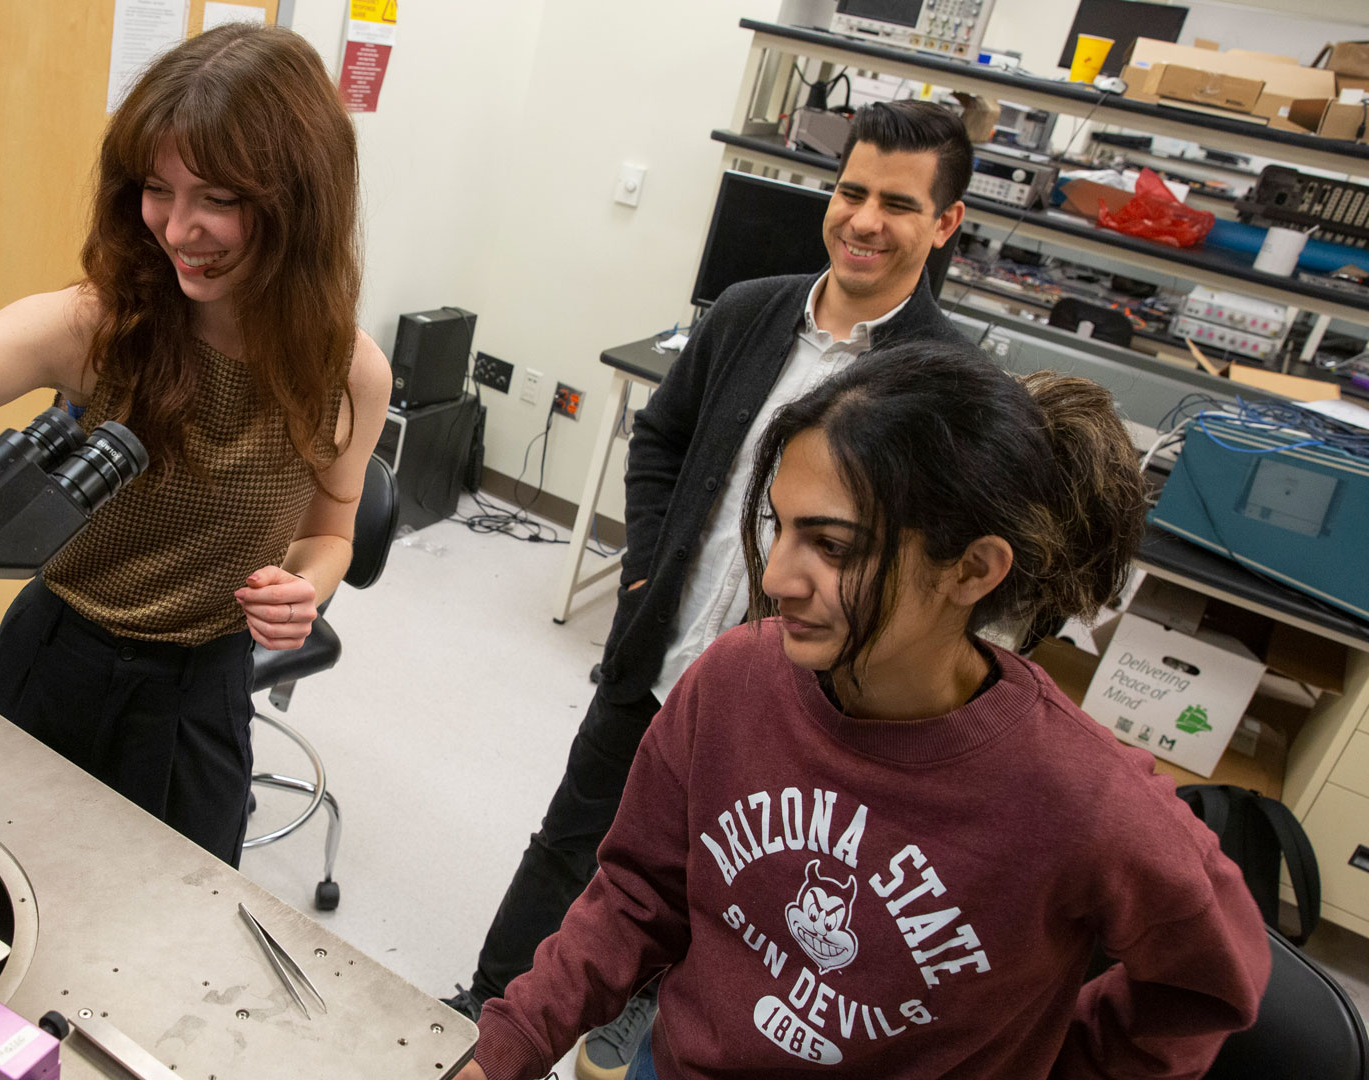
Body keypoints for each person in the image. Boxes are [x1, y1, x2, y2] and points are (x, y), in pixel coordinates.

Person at [460, 339, 1272, 1080]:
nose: (776, 576)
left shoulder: (1085, 798)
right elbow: (636, 896)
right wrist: (506, 1051)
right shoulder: (735, 681)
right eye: (779, 526)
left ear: (972, 570)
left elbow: (1208, 982)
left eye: (834, 546)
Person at [446, 99, 972, 1078]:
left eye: (898, 204)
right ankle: (485, 1011)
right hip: (662, 650)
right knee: (574, 836)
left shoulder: (946, 383)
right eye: (851, 190)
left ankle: (634, 1012)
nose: (863, 219)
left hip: (792, 707)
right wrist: (647, 566)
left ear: (943, 224)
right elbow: (660, 439)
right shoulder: (748, 312)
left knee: (721, 883)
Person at [0, 23, 390, 867]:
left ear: (298, 202)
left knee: (173, 929)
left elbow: (331, 530)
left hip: (202, 692)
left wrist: (305, 587)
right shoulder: (94, 327)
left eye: (217, 198)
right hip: (54, 657)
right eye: (156, 189)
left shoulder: (348, 374)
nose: (177, 229)